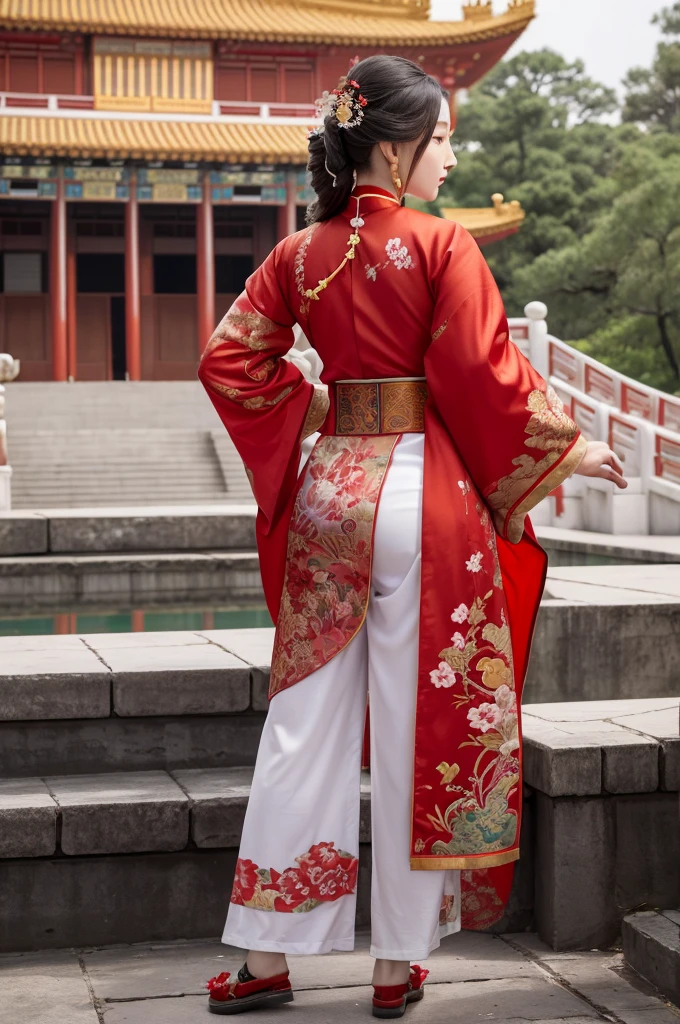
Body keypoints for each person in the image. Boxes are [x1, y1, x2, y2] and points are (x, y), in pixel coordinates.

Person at [198, 54, 627, 1018]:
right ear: (395, 147)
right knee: (411, 726)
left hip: (329, 497)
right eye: (441, 138)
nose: (451, 154)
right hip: (424, 507)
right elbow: (483, 377)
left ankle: (265, 956)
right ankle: (396, 967)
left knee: (302, 728)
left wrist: (312, 409)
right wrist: (571, 451)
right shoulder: (443, 246)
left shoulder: (298, 254)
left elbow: (228, 357)